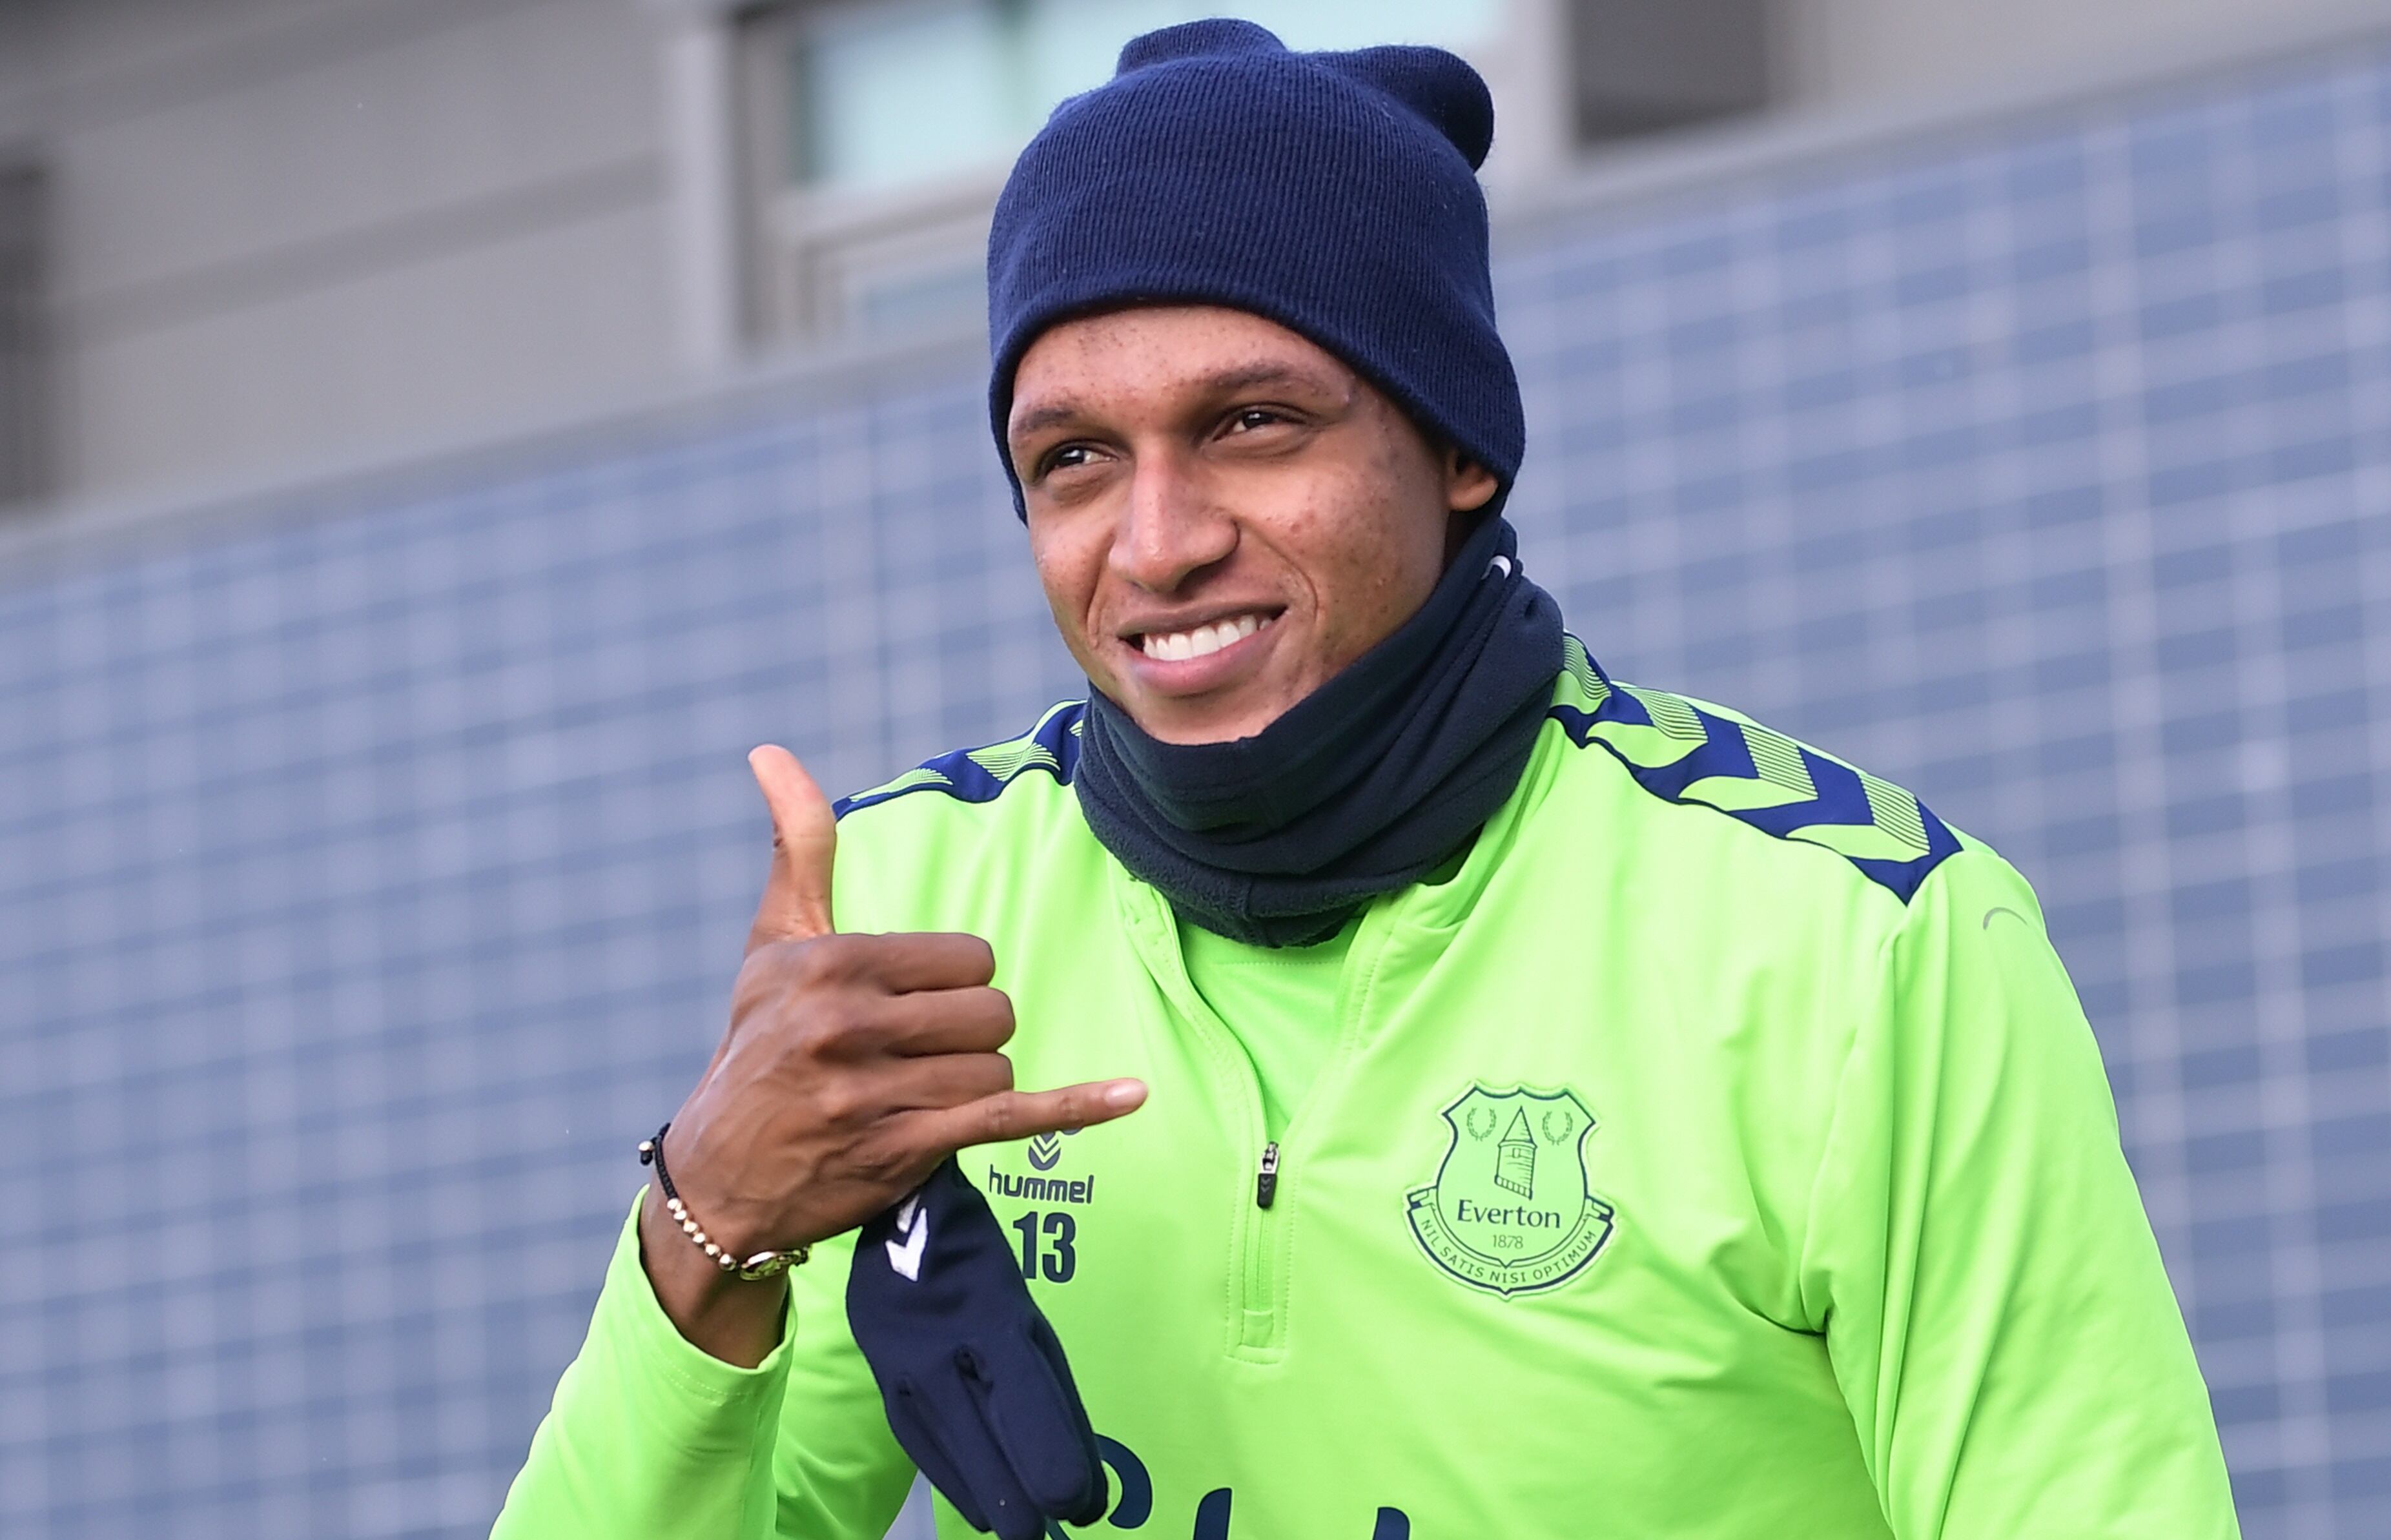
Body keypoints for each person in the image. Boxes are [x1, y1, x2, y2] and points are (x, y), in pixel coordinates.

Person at [493, 19, 2239, 1538]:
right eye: (1075, 456)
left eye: (1254, 421)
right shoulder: (914, 915)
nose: (1157, 541)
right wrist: (705, 1223)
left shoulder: (1859, 947)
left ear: (1458, 443)